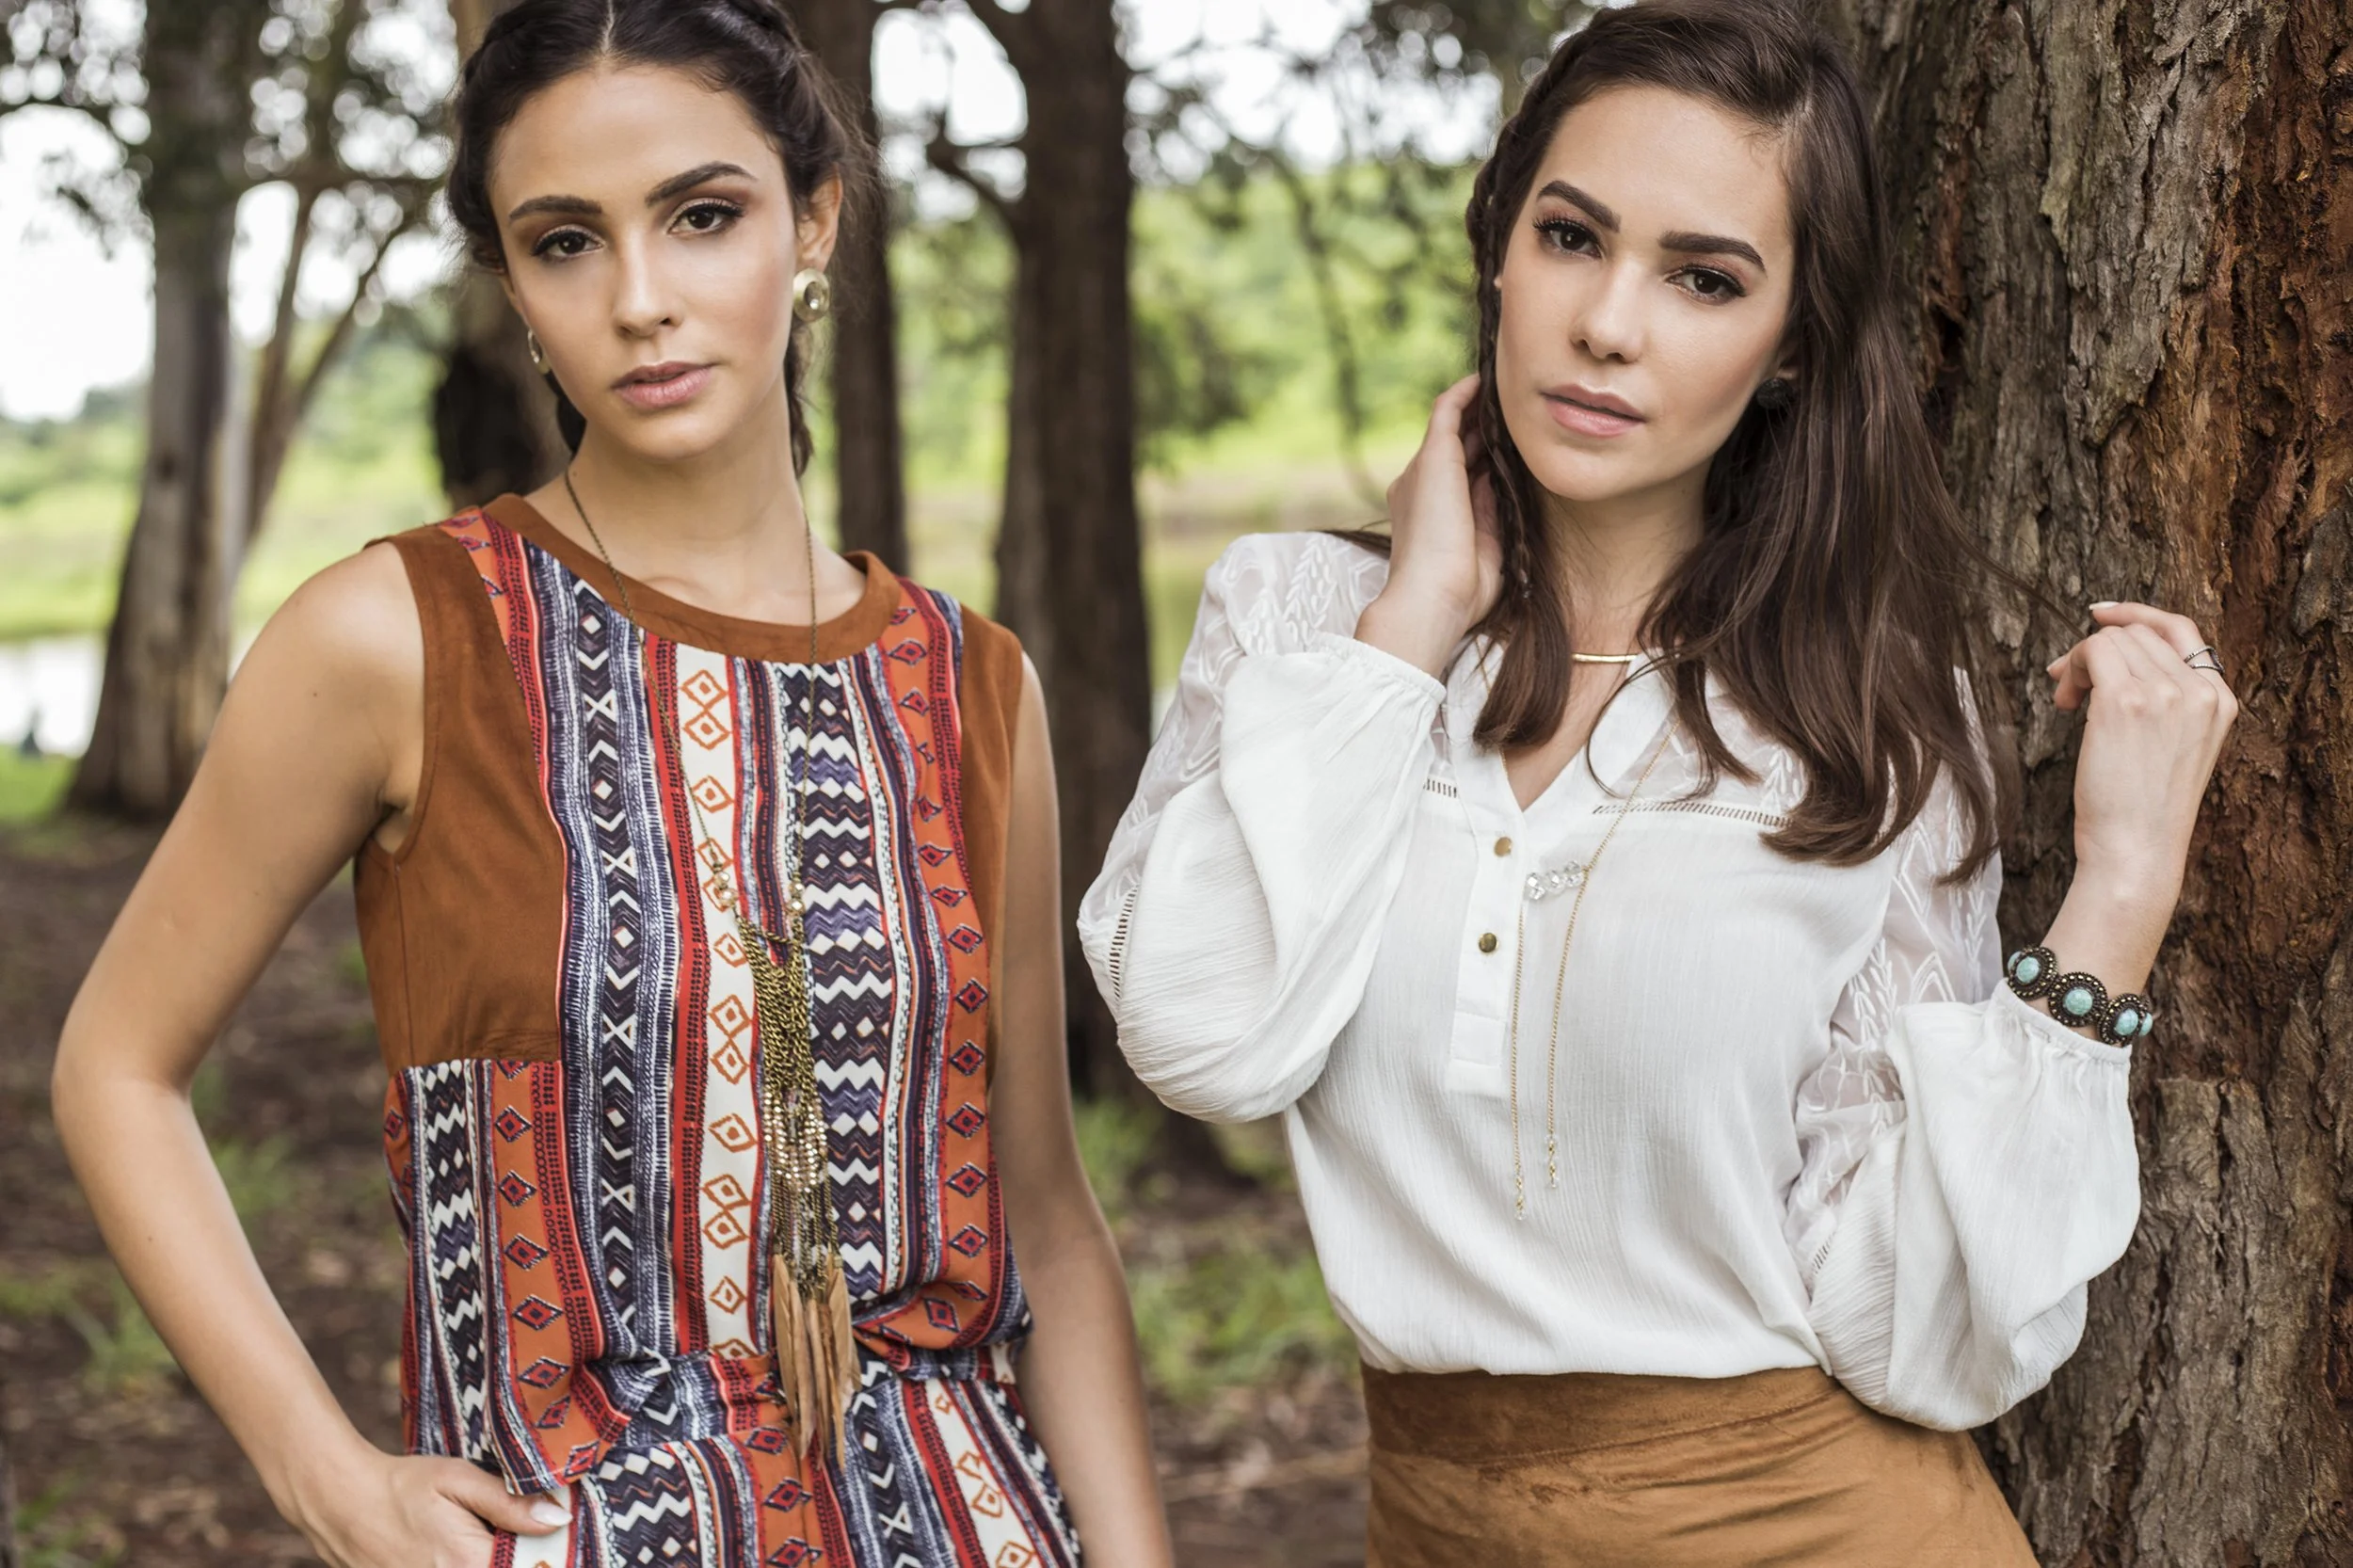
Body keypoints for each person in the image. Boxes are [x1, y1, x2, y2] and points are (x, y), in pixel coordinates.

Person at [1080, 1, 2235, 1561]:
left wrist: (2121, 891)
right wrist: (1411, 625)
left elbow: (1923, 1336)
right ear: (1501, 247)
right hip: (1431, 1516)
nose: (1610, 323)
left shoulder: (1866, 720)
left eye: (1704, 278)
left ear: (1790, 350)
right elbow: (1203, 1040)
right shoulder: (1305, 628)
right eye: (1572, 237)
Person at [49, 3, 1172, 1564]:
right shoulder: (399, 637)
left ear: (815, 220)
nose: (641, 300)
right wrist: (325, 1475)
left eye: (704, 216)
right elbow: (115, 1062)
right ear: (513, 285)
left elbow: (1042, 1211)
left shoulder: (974, 684)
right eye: (565, 242)